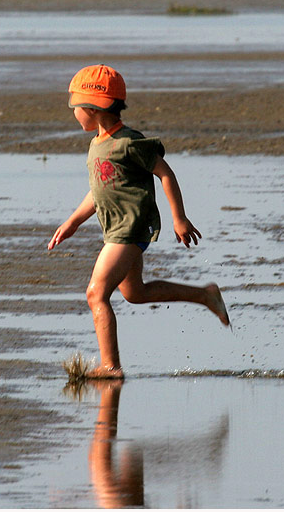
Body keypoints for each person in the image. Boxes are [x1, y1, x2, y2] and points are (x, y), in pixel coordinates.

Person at [48, 64, 230, 379]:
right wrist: (73, 222)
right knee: (134, 293)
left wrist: (180, 218)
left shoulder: (128, 142)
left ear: (94, 108)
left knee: (96, 293)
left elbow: (165, 173)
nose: (75, 114)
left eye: (76, 108)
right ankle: (205, 295)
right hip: (116, 228)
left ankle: (110, 367)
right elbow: (99, 190)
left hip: (130, 228)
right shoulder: (97, 144)